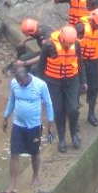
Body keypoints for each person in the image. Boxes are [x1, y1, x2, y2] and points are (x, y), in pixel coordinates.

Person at [2, 65, 54, 193]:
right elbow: (12, 100)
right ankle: (12, 185)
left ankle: (35, 176)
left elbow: (48, 103)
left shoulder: (40, 85)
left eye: (22, 81)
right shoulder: (15, 83)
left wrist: (50, 125)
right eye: (18, 81)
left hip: (34, 126)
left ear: (27, 76)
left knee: (34, 152)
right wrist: (5, 117)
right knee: (14, 154)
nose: (20, 83)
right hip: (18, 124)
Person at [38, 25, 87, 153]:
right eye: (65, 45)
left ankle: (73, 134)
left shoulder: (75, 44)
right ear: (60, 38)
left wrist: (83, 81)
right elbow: (41, 67)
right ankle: (61, 139)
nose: (67, 47)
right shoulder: (48, 45)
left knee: (73, 109)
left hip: (72, 80)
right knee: (58, 111)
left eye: (68, 46)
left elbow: (80, 63)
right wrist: (40, 87)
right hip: (54, 82)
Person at [76, 8, 98, 127]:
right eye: (96, 25)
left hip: (93, 62)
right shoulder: (80, 27)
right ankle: (74, 114)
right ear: (91, 20)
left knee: (94, 87)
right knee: (76, 88)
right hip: (78, 62)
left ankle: (91, 113)